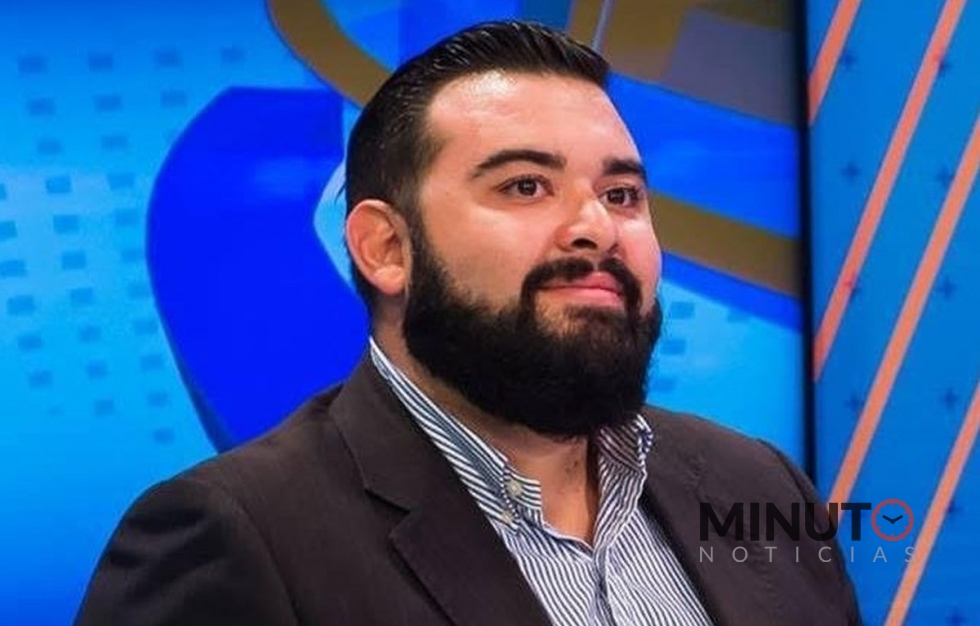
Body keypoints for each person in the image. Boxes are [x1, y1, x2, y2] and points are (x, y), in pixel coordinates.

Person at [77, 20, 860, 626]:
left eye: (621, 195)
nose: (596, 228)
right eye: (525, 186)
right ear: (385, 248)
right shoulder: (232, 535)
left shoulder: (757, 481)